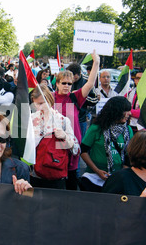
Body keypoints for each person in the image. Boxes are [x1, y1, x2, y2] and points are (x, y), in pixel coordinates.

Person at [53, 49, 99, 190]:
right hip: (55, 142)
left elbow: (90, 83)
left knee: (72, 175)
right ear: (57, 83)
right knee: (57, 175)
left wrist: (96, 62)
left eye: (69, 83)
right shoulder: (50, 98)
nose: (67, 86)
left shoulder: (75, 97)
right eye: (64, 83)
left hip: (72, 143)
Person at [29, 84, 80, 189]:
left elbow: (76, 149)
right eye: (36, 104)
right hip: (35, 174)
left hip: (56, 174)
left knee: (56, 204)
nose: (39, 107)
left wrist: (65, 136)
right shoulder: (30, 119)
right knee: (34, 204)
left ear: (50, 100)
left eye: (42, 103)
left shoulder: (63, 121)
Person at [80, 96, 133, 192]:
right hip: (94, 177)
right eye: (126, 111)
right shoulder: (96, 128)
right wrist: (97, 171)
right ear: (116, 111)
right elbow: (83, 151)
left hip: (117, 178)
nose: (130, 113)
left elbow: (129, 155)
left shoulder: (128, 130)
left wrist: (122, 175)